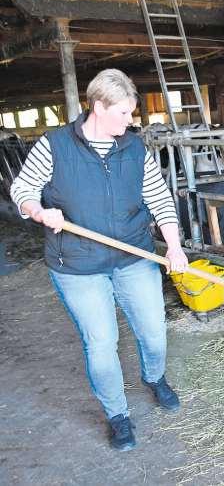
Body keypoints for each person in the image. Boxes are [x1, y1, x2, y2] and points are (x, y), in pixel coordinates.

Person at [10, 69, 189, 452]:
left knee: (154, 331)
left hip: (134, 255)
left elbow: (159, 198)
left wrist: (174, 247)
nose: (129, 121)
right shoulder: (55, 145)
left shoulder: (134, 148)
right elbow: (22, 188)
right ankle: (118, 415)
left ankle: (154, 378)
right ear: (97, 106)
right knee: (102, 343)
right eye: (123, 113)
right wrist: (38, 211)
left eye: (131, 112)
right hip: (77, 264)